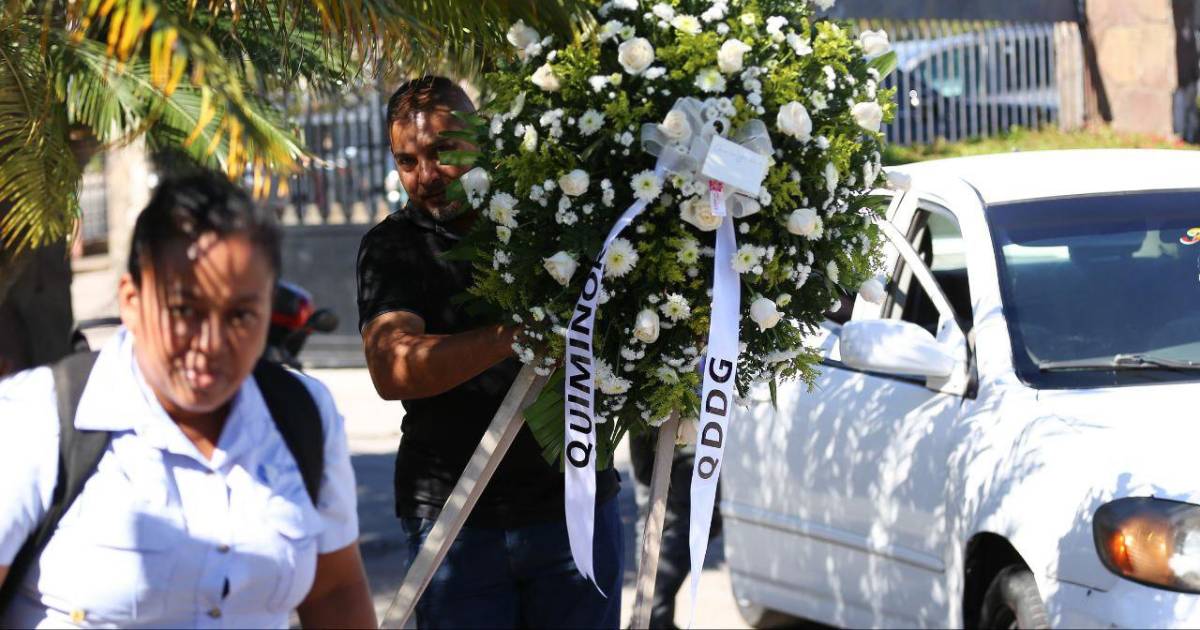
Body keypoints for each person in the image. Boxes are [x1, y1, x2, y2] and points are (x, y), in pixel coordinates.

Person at [0, 171, 377, 628]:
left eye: (240, 315)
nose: (211, 343)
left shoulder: (303, 415)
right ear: (131, 300)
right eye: (184, 311)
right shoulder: (37, 418)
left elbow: (335, 591)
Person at [357, 75, 623, 628]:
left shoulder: (553, 220)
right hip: (455, 519)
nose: (426, 176)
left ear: (482, 139)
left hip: (573, 508)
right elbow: (392, 367)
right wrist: (513, 335)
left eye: (442, 151)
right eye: (407, 161)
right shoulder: (392, 246)